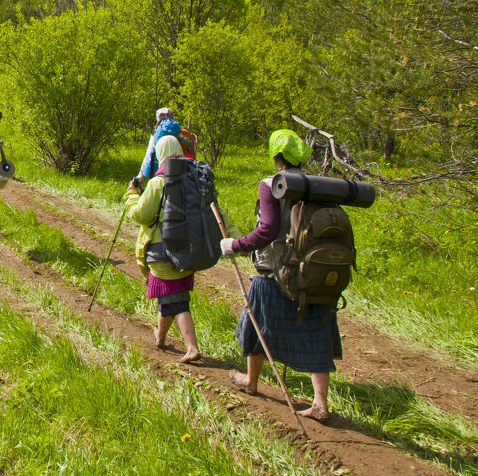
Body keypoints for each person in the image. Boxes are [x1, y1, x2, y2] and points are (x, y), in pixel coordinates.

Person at [220, 129, 341, 422]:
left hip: (276, 273)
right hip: (313, 272)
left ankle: (251, 381)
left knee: (256, 325)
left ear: (277, 157)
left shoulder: (271, 185)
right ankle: (320, 403)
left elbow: (268, 230)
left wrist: (234, 245)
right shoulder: (321, 186)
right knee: (316, 331)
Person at [122, 134, 235, 364]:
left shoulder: (158, 183)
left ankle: (192, 347)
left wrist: (131, 195)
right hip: (187, 251)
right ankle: (160, 337)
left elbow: (141, 215)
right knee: (168, 299)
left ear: (160, 155)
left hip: (161, 253)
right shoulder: (193, 180)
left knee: (176, 301)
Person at [138, 107, 182, 179]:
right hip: (174, 168)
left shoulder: (157, 132)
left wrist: (140, 176)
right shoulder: (175, 129)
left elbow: (148, 153)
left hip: (157, 167)